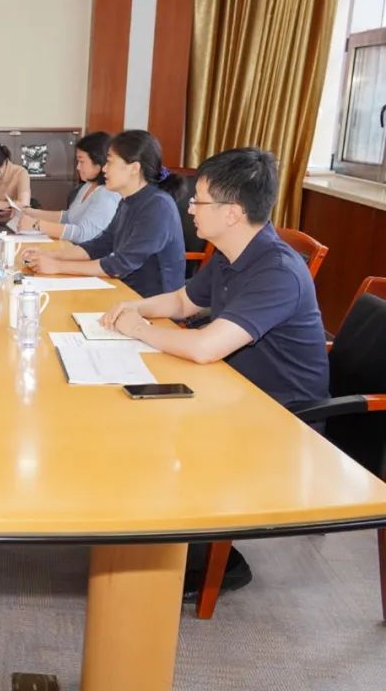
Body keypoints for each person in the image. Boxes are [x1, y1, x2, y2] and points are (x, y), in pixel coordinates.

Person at [100, 147, 330, 599]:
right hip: (235, 390)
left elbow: (206, 347)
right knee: (131, 404)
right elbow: (184, 301)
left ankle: (217, 562)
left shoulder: (277, 270)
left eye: (199, 201)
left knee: (149, 419)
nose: (190, 209)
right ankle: (159, 533)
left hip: (282, 417)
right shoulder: (230, 252)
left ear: (232, 213)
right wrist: (133, 307)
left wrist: (140, 330)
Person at [24, 129, 186, 298]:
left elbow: (120, 264)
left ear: (134, 168)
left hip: (151, 302)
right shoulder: (127, 201)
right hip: (123, 291)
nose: (104, 169)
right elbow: (102, 245)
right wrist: (50, 255)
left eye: (110, 162)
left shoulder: (158, 206)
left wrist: (57, 266)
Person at [14, 131, 120, 243]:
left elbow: (83, 234)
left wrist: (37, 224)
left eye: (82, 161)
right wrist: (31, 212)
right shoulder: (87, 186)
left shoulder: (107, 194)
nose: (78, 167)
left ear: (99, 162)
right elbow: (68, 217)